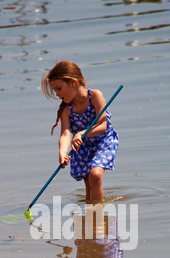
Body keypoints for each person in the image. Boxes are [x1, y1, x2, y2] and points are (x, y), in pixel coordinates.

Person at [41, 61, 119, 202]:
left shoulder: (95, 96)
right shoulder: (66, 110)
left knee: (95, 175)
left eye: (59, 89)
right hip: (83, 147)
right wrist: (62, 153)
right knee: (89, 186)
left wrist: (82, 133)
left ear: (73, 82)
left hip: (103, 141)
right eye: (55, 91)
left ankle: (98, 221)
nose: (57, 94)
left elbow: (103, 125)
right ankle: (92, 218)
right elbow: (65, 134)